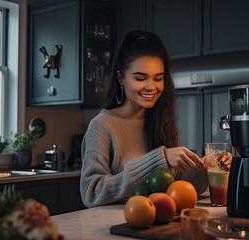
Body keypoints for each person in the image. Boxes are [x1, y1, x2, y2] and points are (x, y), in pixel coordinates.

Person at [80, 30, 209, 208]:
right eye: (140, 78)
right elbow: (91, 193)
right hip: (119, 227)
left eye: (158, 78)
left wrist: (208, 168)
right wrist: (159, 159)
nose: (151, 87)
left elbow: (175, 189)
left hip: (160, 224)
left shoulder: (164, 124)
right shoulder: (102, 126)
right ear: (121, 78)